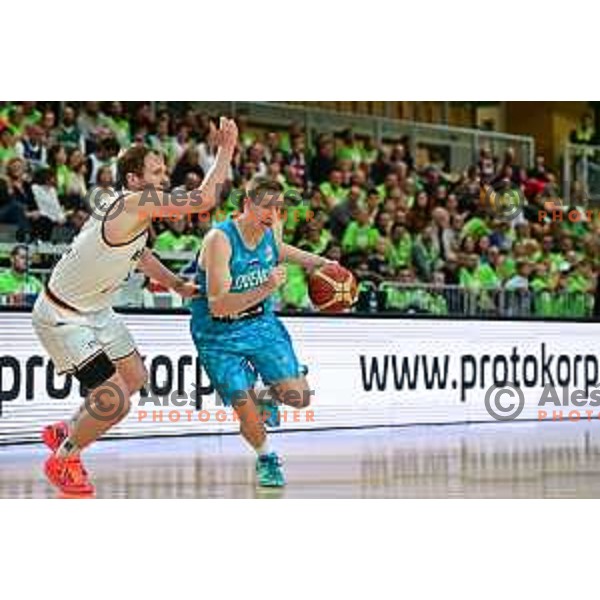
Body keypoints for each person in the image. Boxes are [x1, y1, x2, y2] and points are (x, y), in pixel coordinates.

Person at [32, 117, 239, 495]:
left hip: (95, 309)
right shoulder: (131, 203)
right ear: (132, 180)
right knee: (114, 403)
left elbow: (140, 255)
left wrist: (176, 284)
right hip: (63, 316)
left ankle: (68, 429)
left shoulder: (130, 212)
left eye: (164, 171)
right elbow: (204, 200)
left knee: (135, 379)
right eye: (156, 172)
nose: (164, 178)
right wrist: (225, 150)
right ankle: (64, 458)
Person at [189, 177, 334, 487]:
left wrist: (322, 264)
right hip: (218, 334)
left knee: (299, 398)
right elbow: (218, 306)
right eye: (266, 205)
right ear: (246, 204)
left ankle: (270, 393)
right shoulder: (220, 239)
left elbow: (278, 249)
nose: (273, 213)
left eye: (278, 207)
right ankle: (267, 458)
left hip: (260, 324)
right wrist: (267, 286)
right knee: (247, 413)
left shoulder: (271, 230)